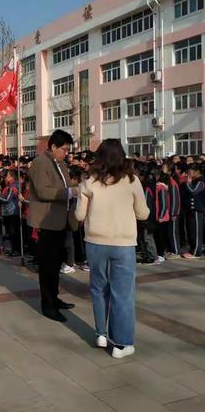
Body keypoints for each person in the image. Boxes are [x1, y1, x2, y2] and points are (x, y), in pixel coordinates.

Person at [75, 139, 149, 359]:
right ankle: (122, 343)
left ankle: (100, 333)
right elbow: (143, 213)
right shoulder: (132, 180)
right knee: (122, 293)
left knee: (99, 288)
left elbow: (79, 215)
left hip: (95, 242)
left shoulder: (88, 181)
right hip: (124, 243)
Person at [28, 129, 78, 323]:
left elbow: (64, 185)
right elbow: (43, 191)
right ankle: (47, 304)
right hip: (47, 222)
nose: (66, 153)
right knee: (48, 265)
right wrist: (69, 192)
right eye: (64, 149)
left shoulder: (60, 164)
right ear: (53, 147)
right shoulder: (41, 163)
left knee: (56, 263)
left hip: (61, 221)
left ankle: (54, 298)